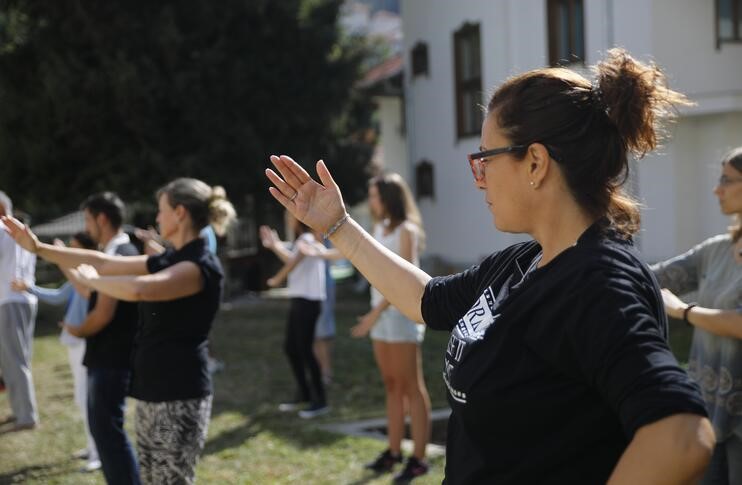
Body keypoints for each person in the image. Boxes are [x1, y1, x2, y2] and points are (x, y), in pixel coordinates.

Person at [264, 48, 717, 484]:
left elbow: (680, 436)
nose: (478, 178)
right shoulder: (527, 261)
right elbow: (428, 300)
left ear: (535, 162)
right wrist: (339, 226)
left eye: (484, 159)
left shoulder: (596, 282)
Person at [2, 178, 235, 485]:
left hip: (179, 393)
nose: (156, 218)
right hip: (154, 390)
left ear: (180, 213)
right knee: (153, 479)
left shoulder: (199, 265)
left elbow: (143, 290)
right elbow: (102, 260)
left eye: (161, 210)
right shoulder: (172, 257)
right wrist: (38, 247)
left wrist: (93, 281)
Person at [651, 147, 742, 484]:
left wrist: (684, 311)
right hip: (706, 417)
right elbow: (651, 278)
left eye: (726, 180)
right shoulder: (716, 250)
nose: (717, 189)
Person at [352, 173, 431, 481]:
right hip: (380, 318)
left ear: (389, 198)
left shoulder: (407, 231)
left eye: (374, 195)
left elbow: (406, 279)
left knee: (412, 386)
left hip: (399, 316)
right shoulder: (378, 228)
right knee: (391, 385)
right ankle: (394, 452)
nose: (371, 201)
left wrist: (374, 313)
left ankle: (420, 458)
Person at [11, 232, 102, 472]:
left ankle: (97, 452)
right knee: (81, 398)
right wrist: (27, 287)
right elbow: (58, 296)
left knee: (88, 398)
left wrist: (60, 259)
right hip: (75, 341)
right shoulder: (76, 277)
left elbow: (84, 291)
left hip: (86, 341)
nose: (68, 254)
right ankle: (93, 447)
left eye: (73, 249)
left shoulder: (90, 275)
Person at [260, 215, 328, 419]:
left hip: (308, 302)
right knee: (291, 348)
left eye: (289, 214)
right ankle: (305, 394)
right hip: (300, 301)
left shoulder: (307, 240)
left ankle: (320, 400)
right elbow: (291, 253)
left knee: (305, 350)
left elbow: (292, 261)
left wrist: (276, 278)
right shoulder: (302, 241)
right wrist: (274, 244)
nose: (287, 217)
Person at [0, 190, 38, 433]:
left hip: (8, 299)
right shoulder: (22, 232)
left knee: (14, 360)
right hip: (23, 298)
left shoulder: (3, 231)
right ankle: (22, 412)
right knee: (16, 359)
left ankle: (25, 416)